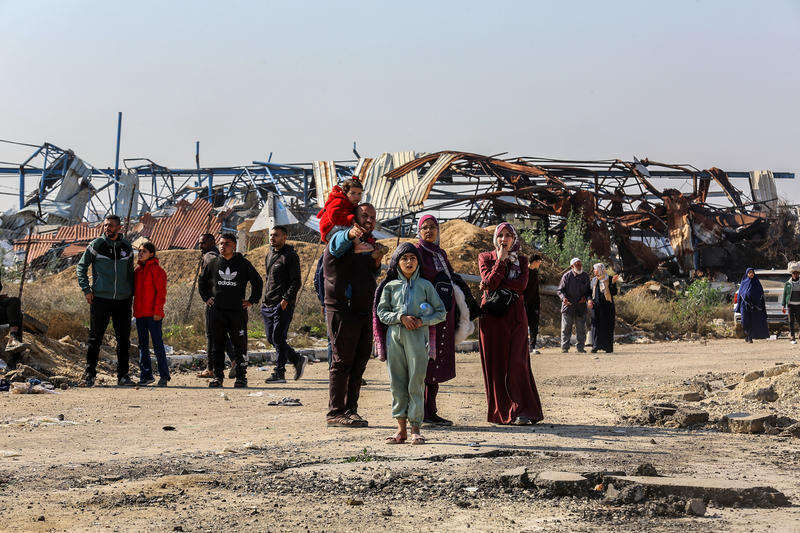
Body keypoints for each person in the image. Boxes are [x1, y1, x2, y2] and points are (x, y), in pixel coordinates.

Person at [323, 203, 387, 427]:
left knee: (359, 362)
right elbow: (337, 245)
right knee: (342, 362)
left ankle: (351, 409)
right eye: (365, 216)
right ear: (354, 219)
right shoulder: (342, 239)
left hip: (363, 310)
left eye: (373, 216)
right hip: (343, 310)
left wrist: (376, 262)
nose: (369, 220)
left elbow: (368, 272)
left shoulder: (366, 246)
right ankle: (335, 412)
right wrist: (350, 233)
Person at [376, 243, 446, 444]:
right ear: (397, 262)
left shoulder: (426, 286)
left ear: (418, 262)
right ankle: (400, 430)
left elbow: (440, 312)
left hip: (418, 338)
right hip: (395, 337)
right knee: (396, 382)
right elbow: (382, 312)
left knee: (416, 381)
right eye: (404, 258)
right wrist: (400, 317)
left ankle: (416, 429)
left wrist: (423, 321)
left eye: (413, 258)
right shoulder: (390, 287)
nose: (409, 262)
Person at [413, 214, 479, 426]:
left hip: (445, 314)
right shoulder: (417, 252)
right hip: (427, 314)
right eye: (425, 228)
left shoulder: (440, 253)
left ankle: (431, 411)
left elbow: (449, 277)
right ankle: (421, 411)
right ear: (419, 231)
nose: (429, 231)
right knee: (424, 363)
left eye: (433, 227)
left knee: (437, 362)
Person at [477, 223, 544, 426]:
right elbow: (488, 283)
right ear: (495, 238)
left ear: (514, 239)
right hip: (493, 316)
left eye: (508, 236)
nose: (503, 240)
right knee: (496, 363)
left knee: (518, 362)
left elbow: (521, 285)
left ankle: (524, 410)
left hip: (515, 314)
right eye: (500, 235)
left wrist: (493, 282)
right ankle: (501, 412)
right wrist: (500, 262)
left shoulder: (522, 260)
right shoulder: (486, 257)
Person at [76, 214, 135, 387]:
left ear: (119, 227)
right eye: (106, 225)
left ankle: (123, 376)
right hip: (101, 299)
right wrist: (86, 290)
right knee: (95, 338)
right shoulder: (97, 245)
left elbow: (130, 273)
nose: (107, 228)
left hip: (123, 300)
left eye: (110, 225)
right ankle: (89, 375)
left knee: (123, 339)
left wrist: (131, 293)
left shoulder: (126, 247)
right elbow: (81, 266)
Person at [198, 233, 263, 387]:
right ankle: (218, 377)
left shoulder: (243, 263)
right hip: (217, 311)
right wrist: (207, 297)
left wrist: (252, 300)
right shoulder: (213, 263)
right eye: (221, 243)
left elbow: (257, 282)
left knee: (239, 346)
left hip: (237, 312)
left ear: (234, 246)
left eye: (226, 243)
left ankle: (241, 378)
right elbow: (202, 281)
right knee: (217, 345)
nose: (223, 246)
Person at [261, 225, 307, 383]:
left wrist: (286, 299)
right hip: (268, 303)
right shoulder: (270, 255)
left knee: (278, 337)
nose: (272, 238)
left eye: (276, 235)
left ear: (284, 237)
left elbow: (296, 281)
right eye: (271, 235)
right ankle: (296, 358)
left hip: (282, 304)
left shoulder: (290, 256)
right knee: (271, 338)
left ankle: (279, 372)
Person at [196, 233, 236, 379]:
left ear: (212, 242)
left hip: (214, 302)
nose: (200, 246)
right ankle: (231, 361)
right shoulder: (214, 256)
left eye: (203, 243)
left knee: (211, 335)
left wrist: (209, 297)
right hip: (221, 300)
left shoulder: (210, 256)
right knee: (219, 334)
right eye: (200, 243)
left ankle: (213, 368)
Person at [133, 242, 170, 386]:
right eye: (139, 251)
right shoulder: (137, 271)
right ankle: (146, 375)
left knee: (157, 345)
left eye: (144, 251)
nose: (140, 253)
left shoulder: (157, 270)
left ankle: (164, 376)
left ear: (152, 254)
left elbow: (161, 293)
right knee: (142, 346)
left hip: (153, 314)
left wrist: (158, 311)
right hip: (140, 314)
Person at [557, 258, 591, 353]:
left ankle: (580, 348)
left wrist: (586, 298)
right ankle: (565, 348)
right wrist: (564, 299)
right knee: (566, 328)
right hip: (568, 306)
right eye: (577, 265)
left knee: (581, 329)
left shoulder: (585, 276)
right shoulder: (566, 276)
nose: (580, 266)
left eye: (580, 264)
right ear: (572, 266)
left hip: (581, 306)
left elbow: (589, 291)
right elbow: (560, 290)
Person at [316, 178, 363, 242]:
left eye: (359, 194)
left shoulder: (351, 203)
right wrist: (351, 220)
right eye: (353, 193)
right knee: (353, 230)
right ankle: (358, 244)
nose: (356, 196)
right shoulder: (339, 201)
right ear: (346, 192)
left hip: (337, 228)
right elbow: (334, 217)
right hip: (329, 229)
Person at [589, 263, 619, 354]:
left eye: (595, 269)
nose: (594, 271)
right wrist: (589, 300)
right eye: (594, 269)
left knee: (608, 326)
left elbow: (614, 292)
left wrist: (613, 283)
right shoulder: (594, 280)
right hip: (596, 307)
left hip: (607, 307)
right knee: (596, 326)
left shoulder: (609, 279)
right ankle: (595, 346)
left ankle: (608, 347)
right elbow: (589, 292)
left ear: (600, 269)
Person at [735, 267, 769, 343]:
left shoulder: (756, 282)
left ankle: (750, 336)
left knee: (752, 321)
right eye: (749, 272)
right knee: (744, 321)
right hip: (744, 305)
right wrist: (738, 305)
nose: (751, 274)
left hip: (754, 306)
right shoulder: (744, 282)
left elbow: (760, 293)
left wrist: (758, 304)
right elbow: (740, 294)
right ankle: (747, 334)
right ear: (747, 274)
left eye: (752, 272)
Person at [523, 253, 543, 354]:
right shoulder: (524, 271)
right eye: (539, 261)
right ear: (534, 262)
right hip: (523, 303)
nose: (540, 263)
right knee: (522, 325)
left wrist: (537, 303)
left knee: (534, 326)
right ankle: (522, 346)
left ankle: (532, 346)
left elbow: (536, 290)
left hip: (534, 304)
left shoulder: (535, 272)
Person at [782, 264, 800, 344]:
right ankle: (792, 336)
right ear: (791, 274)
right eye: (794, 273)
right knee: (791, 321)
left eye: (797, 273)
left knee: (799, 320)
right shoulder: (788, 284)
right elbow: (785, 294)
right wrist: (783, 306)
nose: (795, 275)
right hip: (790, 305)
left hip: (799, 305)